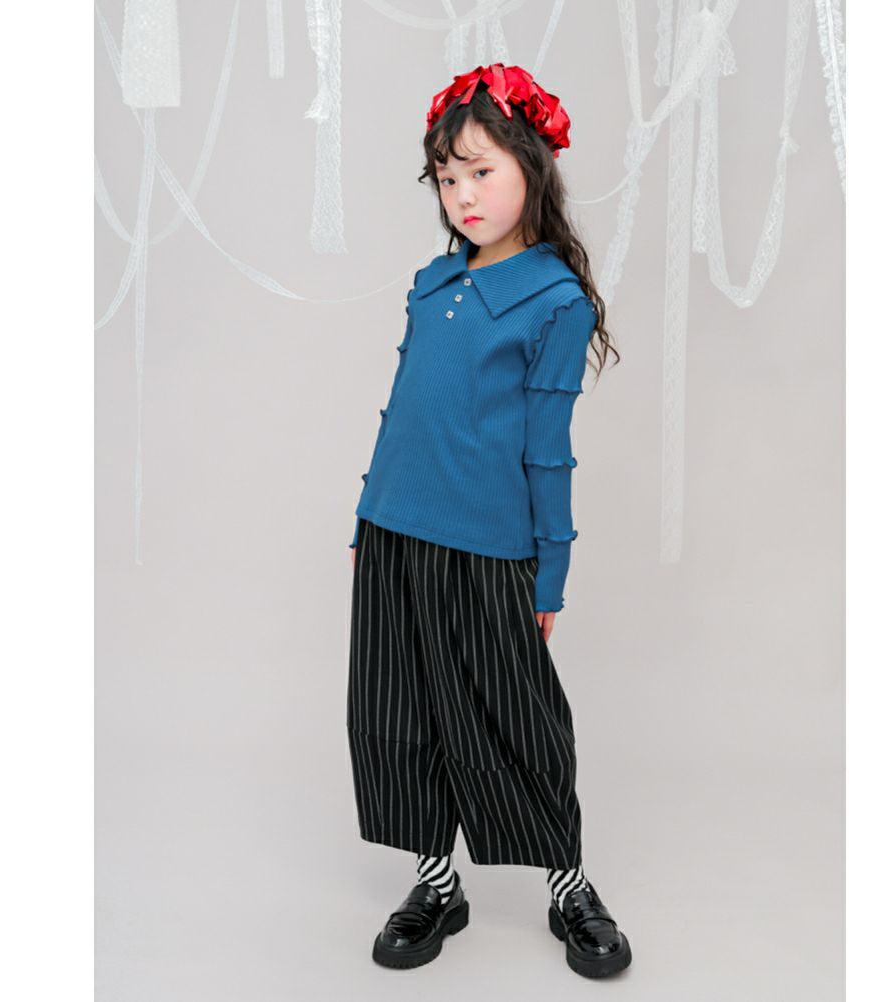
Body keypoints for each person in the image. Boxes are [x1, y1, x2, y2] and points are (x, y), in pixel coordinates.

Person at [345, 63, 629, 979]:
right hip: (394, 534)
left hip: (489, 550)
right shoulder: (433, 285)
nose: (463, 195)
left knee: (518, 722)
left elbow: (548, 451)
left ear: (532, 169)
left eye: (481, 171)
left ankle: (569, 886)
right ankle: (437, 883)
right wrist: (366, 521)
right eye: (447, 176)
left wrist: (550, 573)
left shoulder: (554, 300)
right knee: (397, 716)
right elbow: (402, 412)